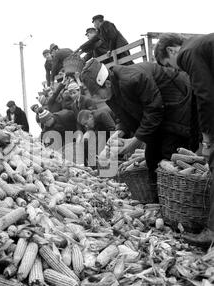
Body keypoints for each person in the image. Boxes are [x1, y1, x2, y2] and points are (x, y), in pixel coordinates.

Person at [81, 59, 196, 198]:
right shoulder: (111, 94)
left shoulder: (132, 79)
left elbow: (154, 110)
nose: (97, 98)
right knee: (151, 158)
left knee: (169, 156)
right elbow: (123, 116)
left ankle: (180, 201)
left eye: (97, 93)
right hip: (159, 120)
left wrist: (135, 141)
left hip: (176, 112)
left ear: (107, 83)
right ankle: (160, 204)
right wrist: (119, 132)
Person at [154, 33, 214, 246]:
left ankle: (212, 231)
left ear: (172, 50)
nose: (176, 70)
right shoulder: (200, 45)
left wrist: (207, 141)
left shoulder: (188, 53)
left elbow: (206, 96)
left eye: (169, 65)